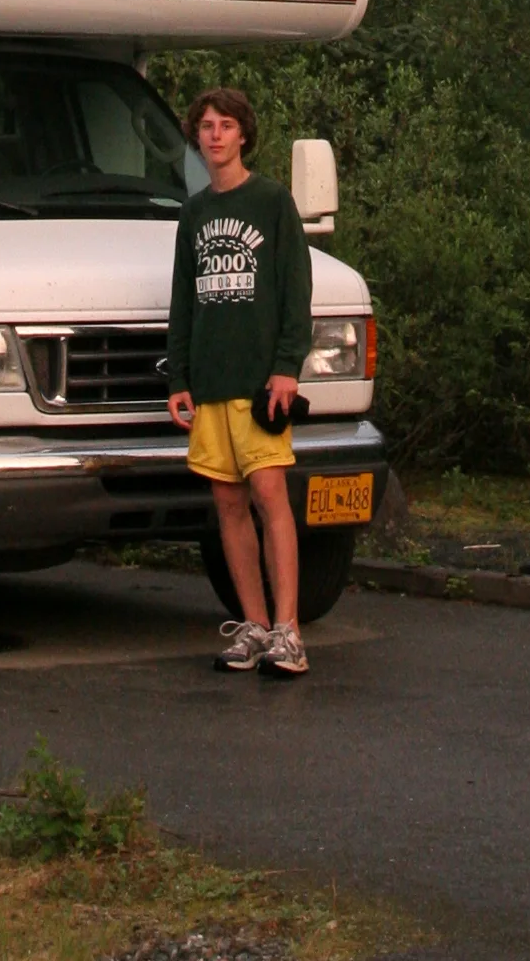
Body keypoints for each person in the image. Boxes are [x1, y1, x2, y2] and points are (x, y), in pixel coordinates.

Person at [166, 84, 315, 678]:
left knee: (270, 497)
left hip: (260, 384)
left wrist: (286, 367)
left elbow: (296, 290)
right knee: (227, 502)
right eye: (206, 126)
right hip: (209, 384)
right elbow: (183, 302)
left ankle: (289, 630)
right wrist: (179, 377)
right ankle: (252, 625)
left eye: (225, 125)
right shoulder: (194, 213)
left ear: (244, 134)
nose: (215, 135)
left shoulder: (273, 202)